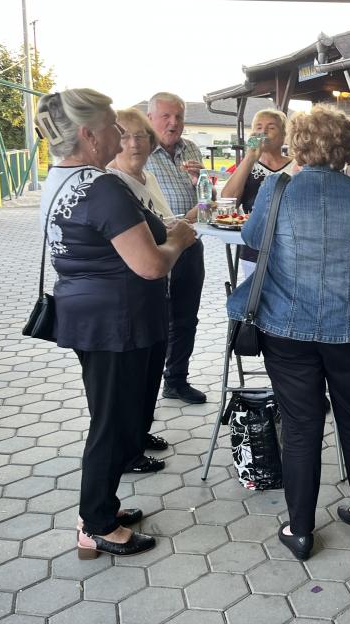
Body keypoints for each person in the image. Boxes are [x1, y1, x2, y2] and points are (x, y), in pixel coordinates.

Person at [37, 89, 196, 559]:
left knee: (114, 416)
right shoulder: (101, 186)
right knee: (112, 423)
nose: (121, 135)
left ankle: (103, 506)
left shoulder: (61, 177)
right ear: (89, 134)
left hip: (91, 316)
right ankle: (96, 524)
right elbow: (150, 264)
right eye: (114, 127)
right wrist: (180, 239)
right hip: (117, 320)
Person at [227, 106, 350, 561]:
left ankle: (300, 531)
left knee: (301, 425)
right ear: (347, 148)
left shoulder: (277, 188)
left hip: (287, 326)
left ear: (297, 145)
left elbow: (253, 241)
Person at [106, 108, 200, 473]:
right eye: (125, 136)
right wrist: (178, 235)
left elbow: (164, 220)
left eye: (141, 137)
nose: (134, 144)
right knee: (130, 377)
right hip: (129, 294)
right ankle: (125, 451)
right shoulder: (112, 183)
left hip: (155, 289)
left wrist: (182, 225)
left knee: (149, 368)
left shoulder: (146, 178)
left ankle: (139, 433)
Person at [143, 92, 207, 405]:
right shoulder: (140, 151)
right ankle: (145, 390)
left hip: (190, 243)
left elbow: (206, 200)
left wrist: (200, 181)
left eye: (179, 116)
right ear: (150, 119)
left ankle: (176, 380)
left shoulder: (191, 148)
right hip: (152, 245)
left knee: (186, 318)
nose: (174, 123)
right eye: (166, 116)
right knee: (154, 319)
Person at [220, 108, 293, 278]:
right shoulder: (247, 166)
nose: (263, 132)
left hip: (290, 247)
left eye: (271, 127)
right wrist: (250, 158)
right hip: (254, 248)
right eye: (258, 127)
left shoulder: (296, 166)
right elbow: (228, 201)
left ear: (284, 135)